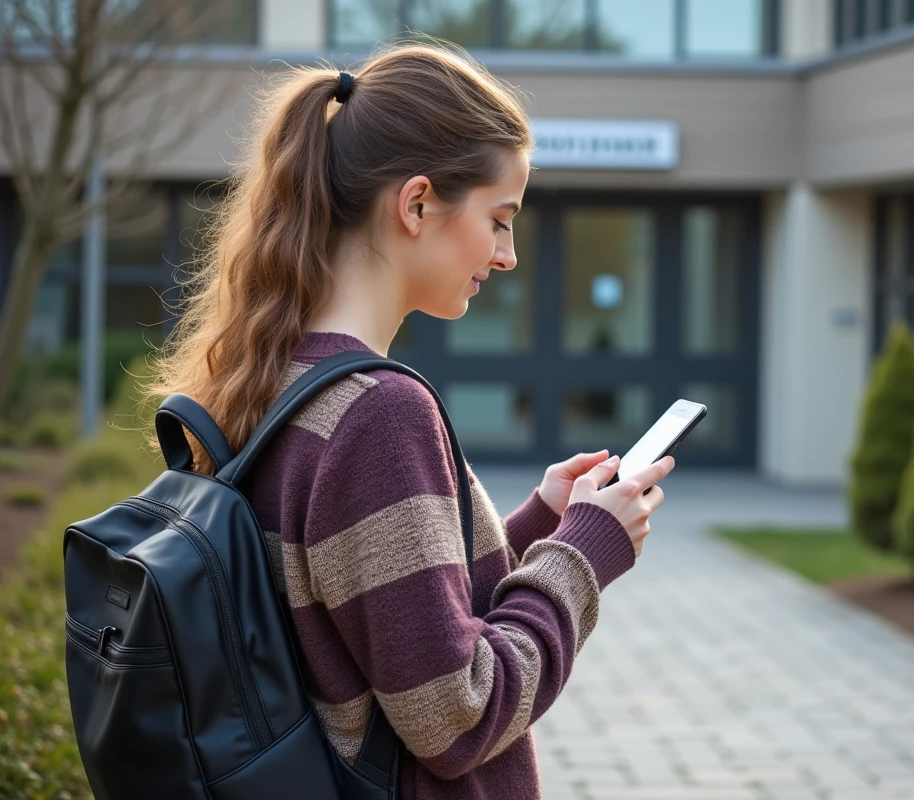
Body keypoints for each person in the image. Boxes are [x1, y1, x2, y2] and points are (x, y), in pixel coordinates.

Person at [140, 42, 673, 798]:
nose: (509, 253)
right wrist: (584, 553)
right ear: (417, 204)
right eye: (499, 219)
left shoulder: (272, 375)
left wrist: (537, 526)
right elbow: (457, 716)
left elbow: (375, 613)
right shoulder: (377, 413)